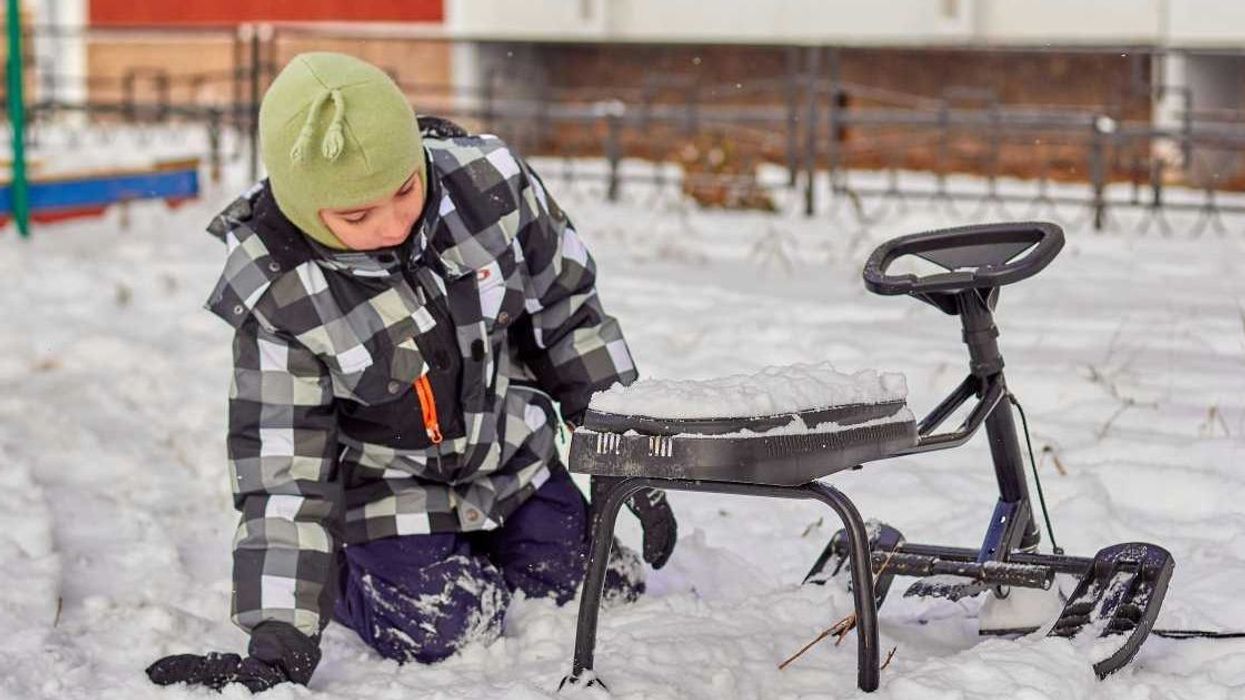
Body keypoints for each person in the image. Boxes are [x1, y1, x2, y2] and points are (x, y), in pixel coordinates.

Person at [146, 52, 677, 693]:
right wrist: (281, 635)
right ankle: (343, 573)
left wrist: (636, 460)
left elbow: (570, 318)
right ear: (305, 210)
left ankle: (503, 540)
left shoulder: (492, 187)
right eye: (356, 216)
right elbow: (285, 470)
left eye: (405, 189)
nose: (395, 222)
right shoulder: (281, 291)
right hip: (389, 492)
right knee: (443, 628)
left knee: (590, 587)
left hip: (510, 458)